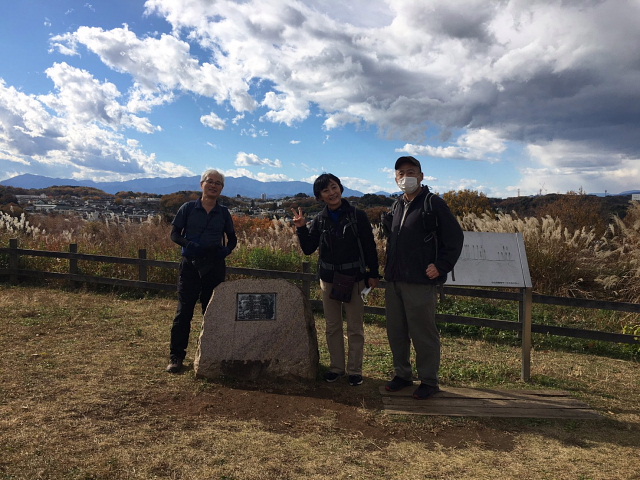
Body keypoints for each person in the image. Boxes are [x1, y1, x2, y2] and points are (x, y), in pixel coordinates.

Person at [382, 156, 464, 399]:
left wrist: (442, 265)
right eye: (400, 173)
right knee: (396, 331)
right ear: (395, 178)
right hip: (395, 278)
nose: (405, 177)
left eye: (411, 172)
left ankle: (429, 380)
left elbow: (455, 238)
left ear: (421, 176)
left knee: (423, 332)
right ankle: (402, 375)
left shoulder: (433, 203)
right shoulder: (397, 205)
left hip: (419, 280)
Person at [292, 173, 380, 386]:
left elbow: (369, 246)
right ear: (319, 196)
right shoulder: (320, 219)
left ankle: (355, 371)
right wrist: (302, 227)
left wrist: (373, 273)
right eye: (325, 190)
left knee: (355, 326)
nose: (332, 193)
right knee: (332, 326)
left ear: (340, 187)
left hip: (355, 278)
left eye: (334, 187)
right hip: (329, 279)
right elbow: (308, 249)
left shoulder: (357, 216)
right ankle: (337, 368)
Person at [166, 169, 237, 373]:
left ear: (222, 189)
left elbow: (232, 238)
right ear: (202, 184)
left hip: (214, 265)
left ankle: (212, 354)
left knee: (212, 312)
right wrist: (189, 244)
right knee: (184, 312)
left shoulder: (223, 213)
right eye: (210, 181)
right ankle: (176, 356)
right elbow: (174, 234)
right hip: (190, 264)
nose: (213, 185)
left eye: (218, 183)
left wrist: (225, 251)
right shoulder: (188, 208)